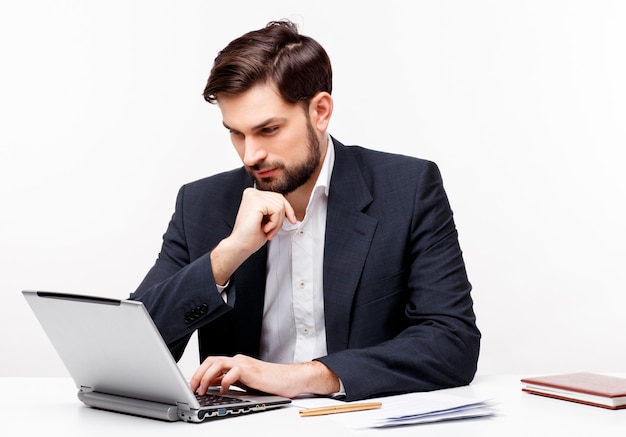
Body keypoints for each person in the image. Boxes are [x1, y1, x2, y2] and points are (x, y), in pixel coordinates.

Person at [130, 19, 480, 402]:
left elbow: (453, 342)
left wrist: (310, 376)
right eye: (236, 132)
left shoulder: (409, 189)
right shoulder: (200, 204)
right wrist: (225, 257)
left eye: (268, 130)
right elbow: (129, 353)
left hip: (358, 421)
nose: (251, 155)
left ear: (321, 111)